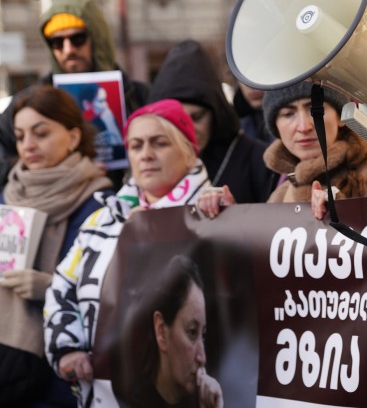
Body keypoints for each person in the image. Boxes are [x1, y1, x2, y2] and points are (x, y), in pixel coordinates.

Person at [43, 99, 211, 406]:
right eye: (135, 145)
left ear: (188, 150)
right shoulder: (101, 220)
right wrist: (68, 348)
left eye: (159, 143)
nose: (145, 154)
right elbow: (62, 287)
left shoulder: (215, 215)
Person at [0, 87, 111, 407]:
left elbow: (109, 290)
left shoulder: (100, 204)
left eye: (41, 133)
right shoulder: (8, 195)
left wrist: (50, 288)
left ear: (73, 138)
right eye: (20, 136)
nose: (28, 145)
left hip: (61, 373)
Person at [0, 0, 150, 190]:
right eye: (57, 42)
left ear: (98, 38)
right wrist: (40, 168)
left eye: (77, 38)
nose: (68, 49)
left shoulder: (138, 96)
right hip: (57, 204)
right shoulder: (29, 104)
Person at [198, 81, 367, 220]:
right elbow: (263, 260)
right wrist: (228, 218)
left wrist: (344, 214)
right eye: (288, 114)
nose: (303, 126)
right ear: (276, 128)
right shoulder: (280, 195)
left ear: (340, 117)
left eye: (315, 110)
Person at [147, 40, 274, 204]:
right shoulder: (150, 164)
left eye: (197, 117)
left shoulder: (259, 160)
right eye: (177, 120)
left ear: (215, 114)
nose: (188, 129)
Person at [118, 255, 222, 408]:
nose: (202, 358)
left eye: (203, 335)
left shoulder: (200, 401)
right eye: (192, 332)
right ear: (161, 331)